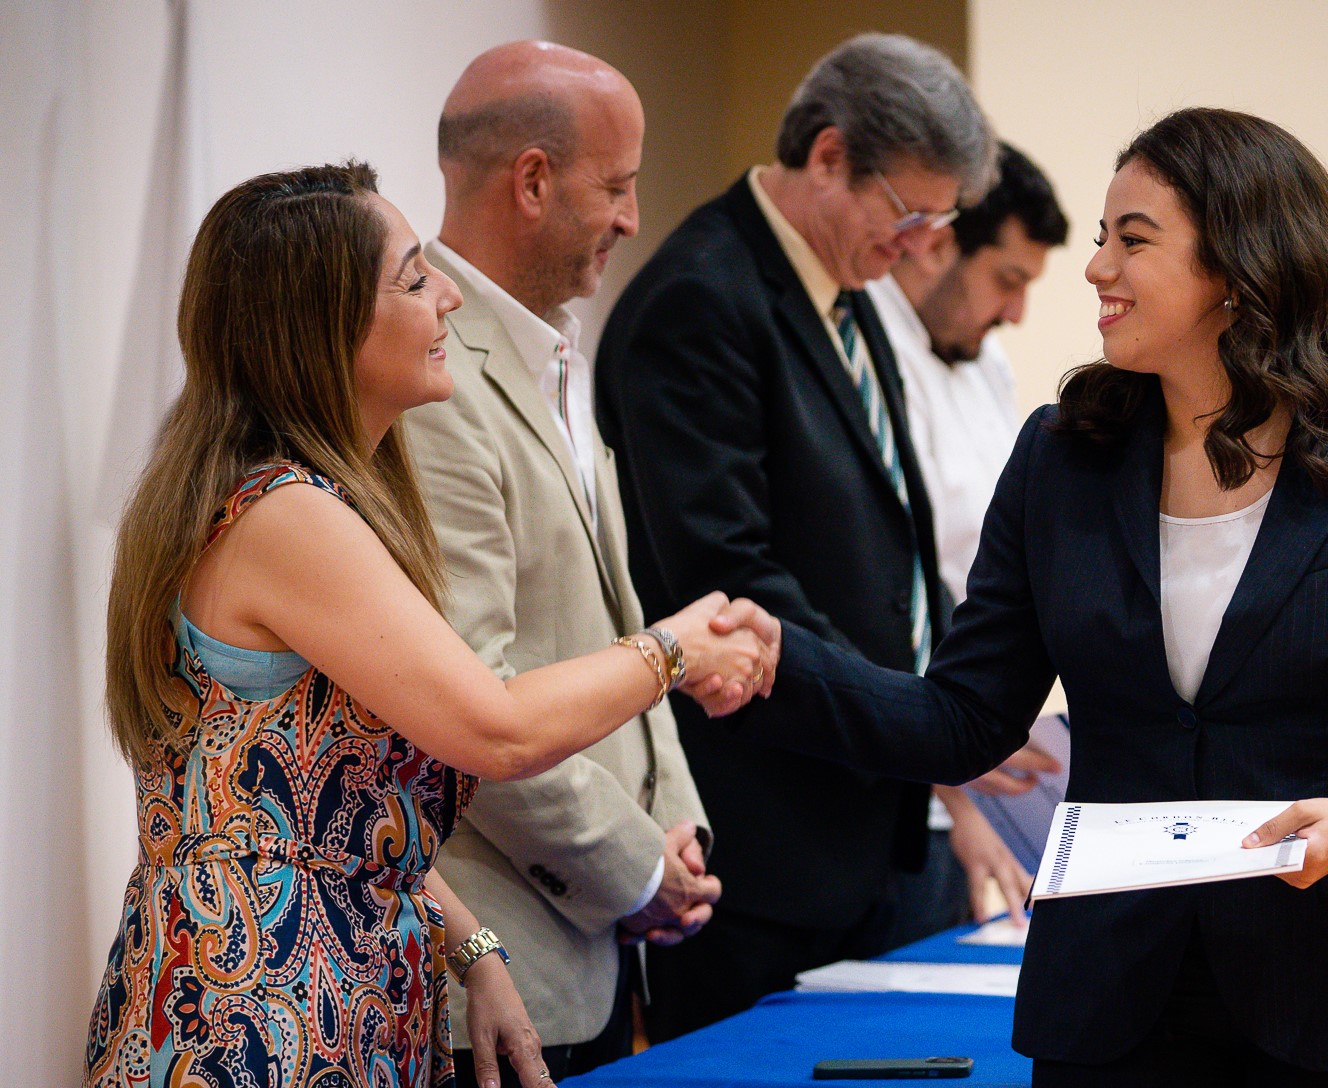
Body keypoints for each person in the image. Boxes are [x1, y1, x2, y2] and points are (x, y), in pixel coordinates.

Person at [727, 108, 1328, 1085]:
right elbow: (963, 715)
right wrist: (781, 658)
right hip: (1113, 1002)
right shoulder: (1059, 458)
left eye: (1132, 239)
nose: (1094, 268)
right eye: (1099, 238)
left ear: (1237, 268)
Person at [84, 161, 775, 1088]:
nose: (447, 294)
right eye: (413, 278)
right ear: (319, 328)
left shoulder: (291, 500)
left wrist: (474, 949)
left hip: (330, 1000)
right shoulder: (285, 515)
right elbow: (499, 727)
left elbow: (336, 814)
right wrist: (674, 648)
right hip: (259, 1027)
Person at [594, 33, 994, 1038]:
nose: (917, 242)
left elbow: (895, 547)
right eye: (906, 211)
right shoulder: (701, 296)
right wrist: (916, 720)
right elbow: (730, 580)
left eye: (936, 221)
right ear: (826, 156)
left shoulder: (845, 294)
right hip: (761, 849)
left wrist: (964, 695)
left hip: (871, 832)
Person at [403, 42, 719, 1086]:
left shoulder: (547, 348)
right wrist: (631, 867)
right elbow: (469, 695)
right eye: (617, 187)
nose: (632, 218)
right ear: (532, 181)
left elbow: (617, 623)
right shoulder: (428, 377)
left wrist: (671, 822)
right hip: (495, 965)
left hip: (588, 945)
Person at [867, 140, 1070, 945]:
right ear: (941, 243)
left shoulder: (985, 367)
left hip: (969, 773)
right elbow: (883, 596)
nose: (1015, 312)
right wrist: (952, 784)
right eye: (1007, 280)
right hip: (899, 772)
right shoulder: (870, 361)